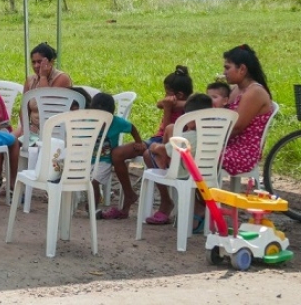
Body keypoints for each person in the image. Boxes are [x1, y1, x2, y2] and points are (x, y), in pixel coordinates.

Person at [143, 93, 214, 227]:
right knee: (167, 140)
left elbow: (162, 149)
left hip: (185, 175)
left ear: (189, 118)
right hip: (206, 175)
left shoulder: (188, 137)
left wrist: (155, 146)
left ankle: (169, 202)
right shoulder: (214, 134)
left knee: (149, 153)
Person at [9, 42, 73, 190]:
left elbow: (47, 101)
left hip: (55, 130)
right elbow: (24, 107)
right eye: (34, 62)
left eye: (40, 62)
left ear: (50, 62)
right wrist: (24, 127)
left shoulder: (62, 78)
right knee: (9, 140)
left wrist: (43, 77)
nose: (36, 66)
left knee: (19, 141)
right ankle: (13, 183)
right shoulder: (30, 80)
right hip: (33, 127)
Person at [220, 44, 274, 177]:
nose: (224, 72)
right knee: (186, 149)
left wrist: (210, 139)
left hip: (242, 153)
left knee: (195, 152)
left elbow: (237, 127)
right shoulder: (236, 90)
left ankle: (200, 197)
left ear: (242, 69)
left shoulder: (254, 92)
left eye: (227, 68)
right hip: (228, 146)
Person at [90, 92, 144, 220]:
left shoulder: (116, 122)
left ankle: (93, 207)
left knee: (94, 182)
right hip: (89, 159)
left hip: (105, 160)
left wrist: (138, 142)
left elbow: (132, 128)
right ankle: (91, 205)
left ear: (111, 114)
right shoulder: (88, 121)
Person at [149, 66, 193, 143]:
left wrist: (167, 108)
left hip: (167, 140)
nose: (165, 96)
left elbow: (167, 130)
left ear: (180, 95)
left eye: (167, 93)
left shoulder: (189, 109)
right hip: (159, 137)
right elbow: (159, 104)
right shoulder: (172, 102)